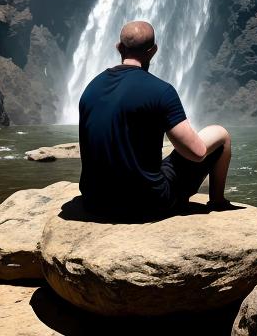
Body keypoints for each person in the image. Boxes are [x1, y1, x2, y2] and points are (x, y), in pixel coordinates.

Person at [78, 20, 233, 220]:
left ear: (119, 48)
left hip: (95, 201)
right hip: (147, 203)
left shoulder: (91, 87)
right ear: (153, 51)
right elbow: (197, 153)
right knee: (220, 135)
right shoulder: (161, 91)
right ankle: (217, 202)